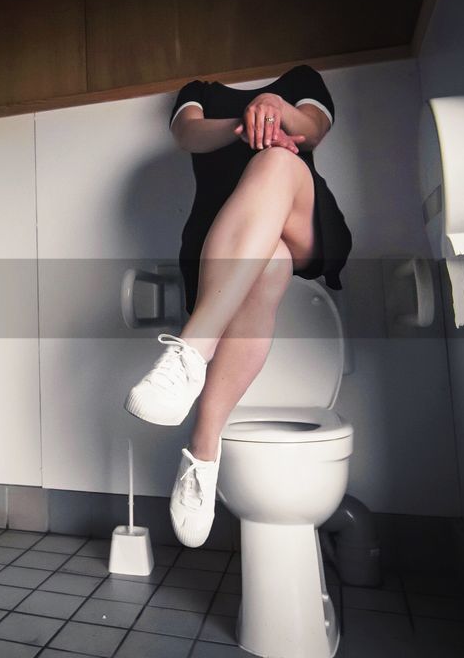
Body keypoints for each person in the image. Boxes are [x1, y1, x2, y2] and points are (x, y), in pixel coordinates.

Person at [124, 65, 352, 547]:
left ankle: (188, 354)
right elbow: (188, 133)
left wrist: (279, 112)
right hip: (223, 240)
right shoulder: (197, 92)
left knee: (277, 163)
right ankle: (203, 454)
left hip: (300, 214)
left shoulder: (301, 79)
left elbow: (311, 131)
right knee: (267, 263)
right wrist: (245, 122)